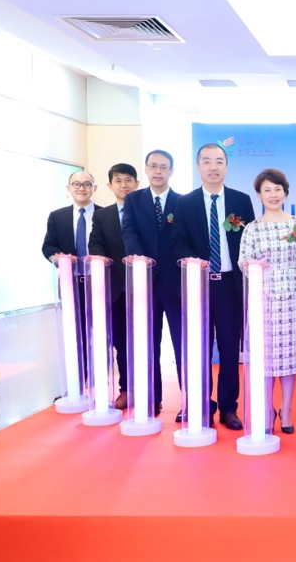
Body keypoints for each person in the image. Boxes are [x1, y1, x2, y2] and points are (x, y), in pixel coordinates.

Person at [171, 143, 255, 430]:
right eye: (206, 161)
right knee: (200, 349)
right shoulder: (185, 203)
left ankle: (229, 408)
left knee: (231, 350)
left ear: (226, 167)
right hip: (199, 286)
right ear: (198, 167)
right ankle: (201, 404)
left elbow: (250, 240)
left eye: (219, 161)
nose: (213, 167)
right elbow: (178, 241)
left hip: (231, 286)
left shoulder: (241, 201)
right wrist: (192, 261)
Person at [239, 169, 296, 434]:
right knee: (265, 358)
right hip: (263, 300)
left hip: (293, 298)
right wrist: (253, 266)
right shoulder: (252, 229)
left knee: (289, 359)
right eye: (267, 190)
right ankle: (266, 409)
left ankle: (287, 410)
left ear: (285, 192)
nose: (273, 195)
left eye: (277, 189)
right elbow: (243, 262)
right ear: (259, 195)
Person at [121, 150, 183, 420]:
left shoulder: (182, 202)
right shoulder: (133, 200)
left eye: (163, 167)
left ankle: (190, 402)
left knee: (184, 344)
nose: (158, 171)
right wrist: (139, 259)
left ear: (171, 171)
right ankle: (151, 399)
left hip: (176, 284)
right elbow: (129, 230)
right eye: (153, 166)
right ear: (146, 169)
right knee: (147, 344)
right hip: (144, 282)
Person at [42, 171, 101, 378]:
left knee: (100, 334)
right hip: (71, 284)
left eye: (87, 184)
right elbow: (48, 246)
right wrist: (57, 256)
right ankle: (79, 381)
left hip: (99, 283)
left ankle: (99, 381)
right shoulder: (57, 217)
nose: (81, 188)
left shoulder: (105, 214)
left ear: (94, 188)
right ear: (68, 188)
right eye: (76, 184)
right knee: (75, 335)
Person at [88, 163, 136, 411]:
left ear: (137, 184)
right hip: (117, 290)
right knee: (121, 343)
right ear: (110, 185)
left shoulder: (147, 211)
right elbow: (95, 243)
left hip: (147, 288)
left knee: (150, 342)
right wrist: (99, 258)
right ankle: (126, 390)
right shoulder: (102, 216)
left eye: (128, 180)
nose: (123, 185)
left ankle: (151, 393)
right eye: (118, 181)